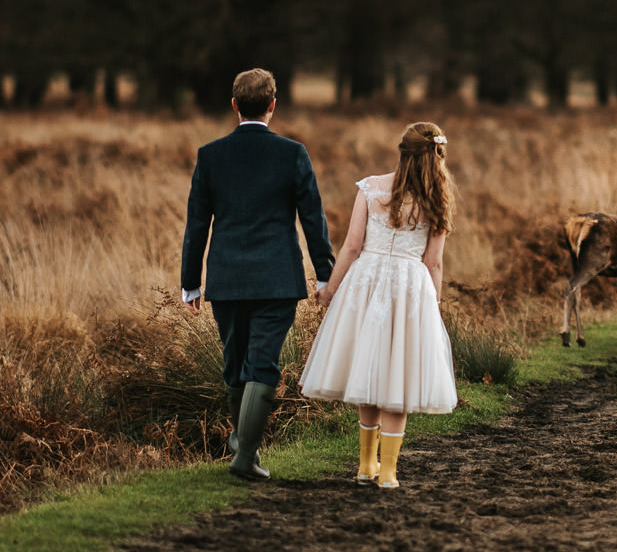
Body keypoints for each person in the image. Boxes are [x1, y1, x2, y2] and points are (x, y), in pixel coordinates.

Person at [180, 68, 336, 482]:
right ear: (272, 105)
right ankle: (244, 454)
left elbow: (197, 224)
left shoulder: (210, 155)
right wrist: (325, 276)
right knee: (259, 364)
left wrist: (190, 282)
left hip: (227, 280)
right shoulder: (292, 153)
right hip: (277, 278)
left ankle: (243, 449)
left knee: (236, 365)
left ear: (234, 105)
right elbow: (313, 219)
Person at [299, 121, 458, 489]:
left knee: (368, 370)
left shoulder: (370, 188)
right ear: (436, 155)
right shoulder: (438, 200)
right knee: (398, 380)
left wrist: (330, 290)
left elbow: (352, 247)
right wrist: (432, 303)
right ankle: (388, 472)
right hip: (409, 287)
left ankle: (365, 465)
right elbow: (433, 262)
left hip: (366, 284)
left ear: (402, 151)